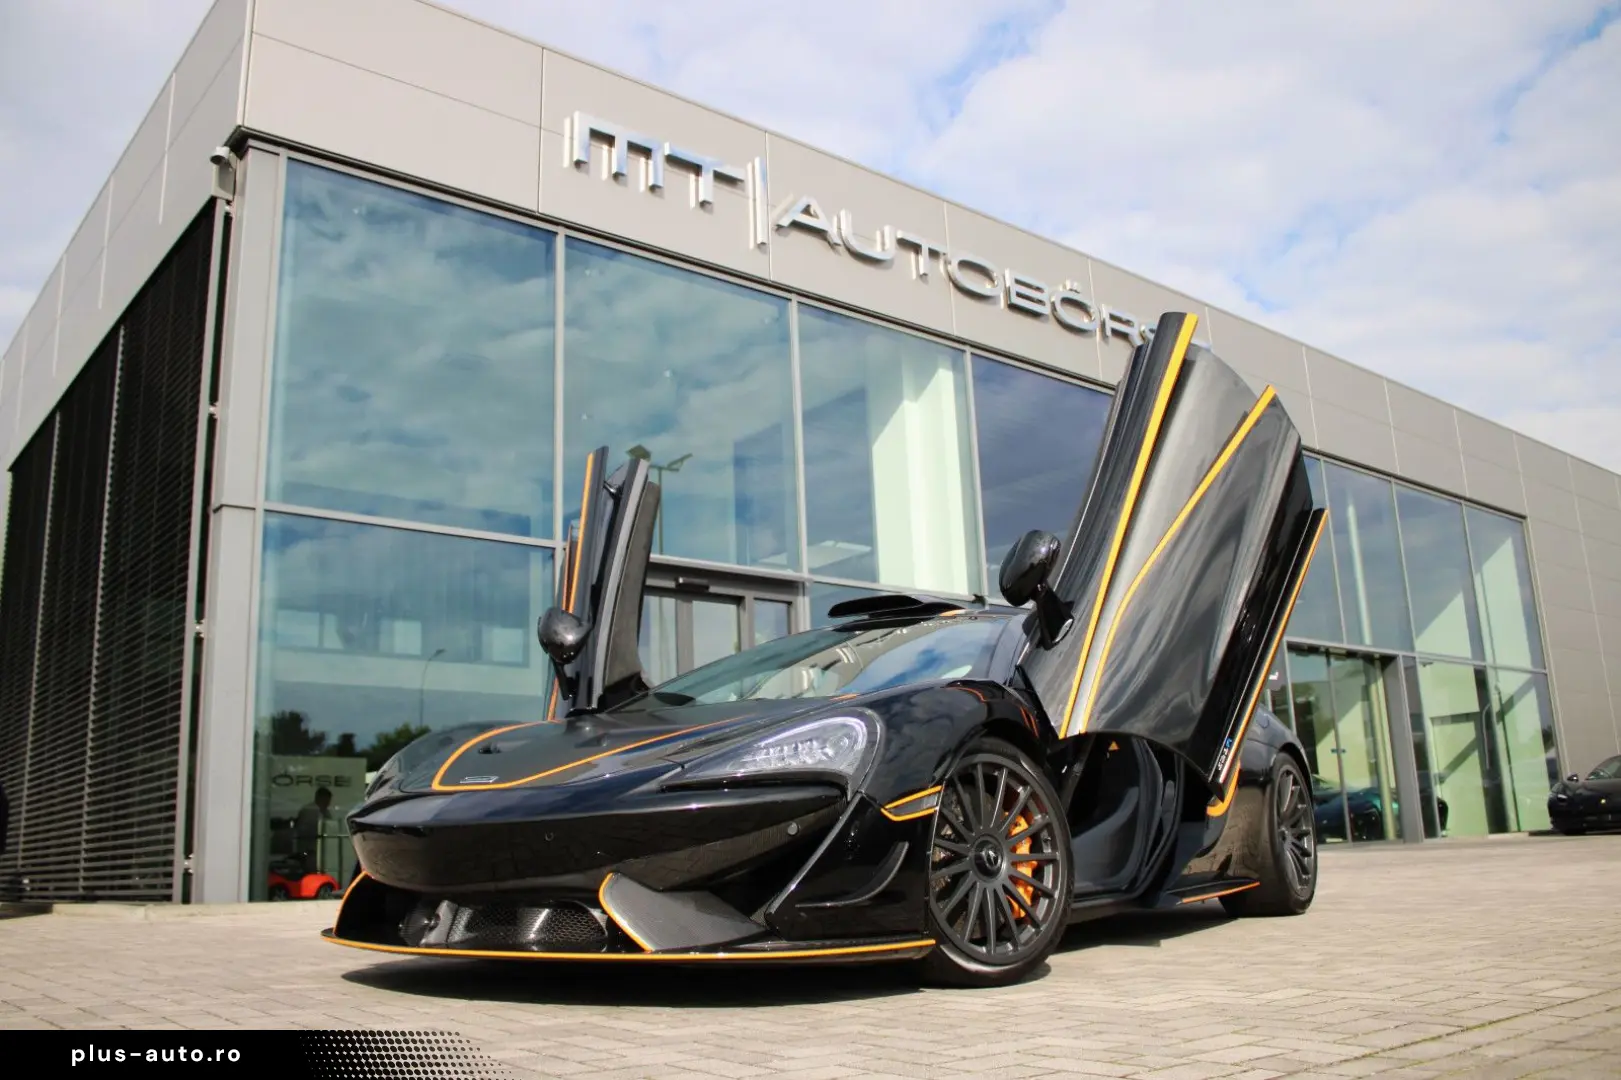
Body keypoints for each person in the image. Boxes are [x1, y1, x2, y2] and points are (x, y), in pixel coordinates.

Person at [294, 787, 333, 875]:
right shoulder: (309, 811)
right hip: (309, 850)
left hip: (321, 850)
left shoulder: (325, 812)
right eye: (326, 800)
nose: (328, 803)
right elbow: (305, 831)